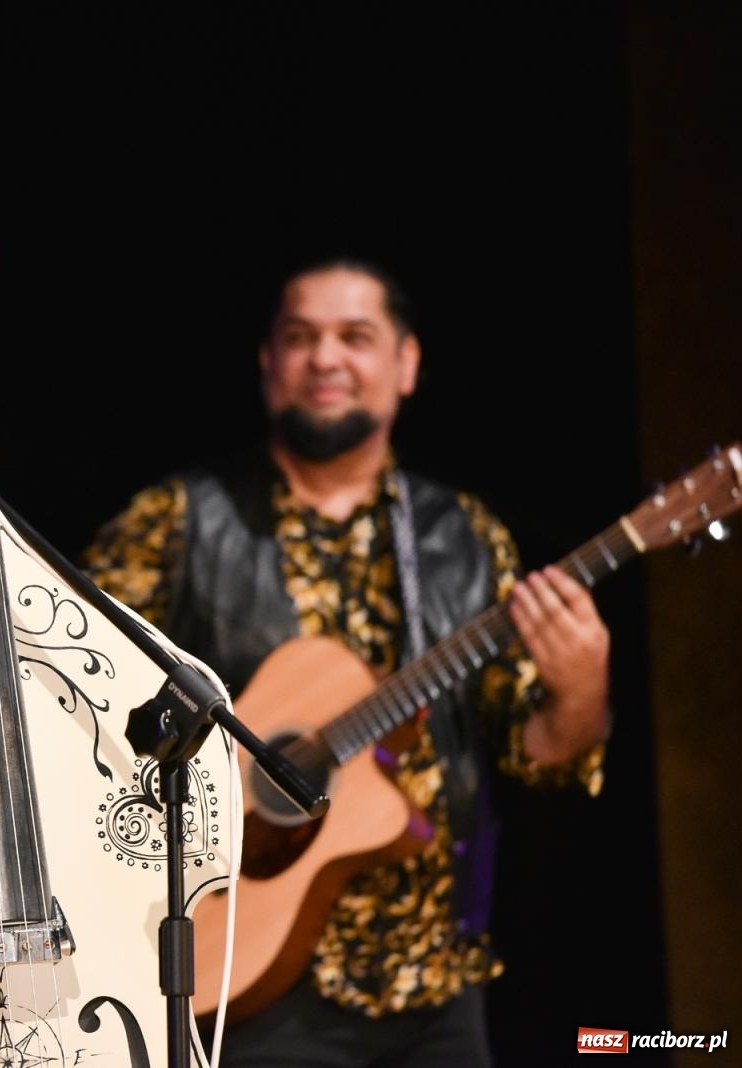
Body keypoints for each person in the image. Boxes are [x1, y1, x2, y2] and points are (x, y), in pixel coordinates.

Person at [81, 258, 612, 1066]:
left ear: (406, 365)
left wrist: (580, 693)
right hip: (246, 972)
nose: (325, 358)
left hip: (436, 989)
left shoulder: (467, 538)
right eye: (300, 338)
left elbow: (539, 761)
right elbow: (70, 704)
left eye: (355, 337)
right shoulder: (179, 524)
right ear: (268, 365)